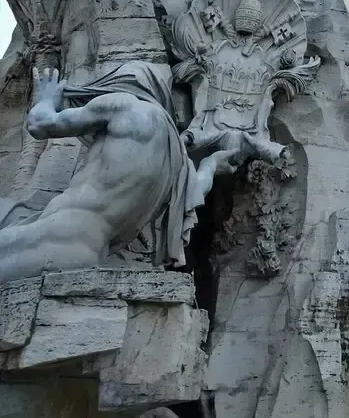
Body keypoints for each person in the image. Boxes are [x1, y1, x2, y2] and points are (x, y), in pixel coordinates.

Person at [0, 64, 240, 284]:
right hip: (87, 250)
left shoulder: (122, 104)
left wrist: (46, 98)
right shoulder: (176, 158)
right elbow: (196, 188)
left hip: (54, 237)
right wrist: (210, 164)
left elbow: (40, 125)